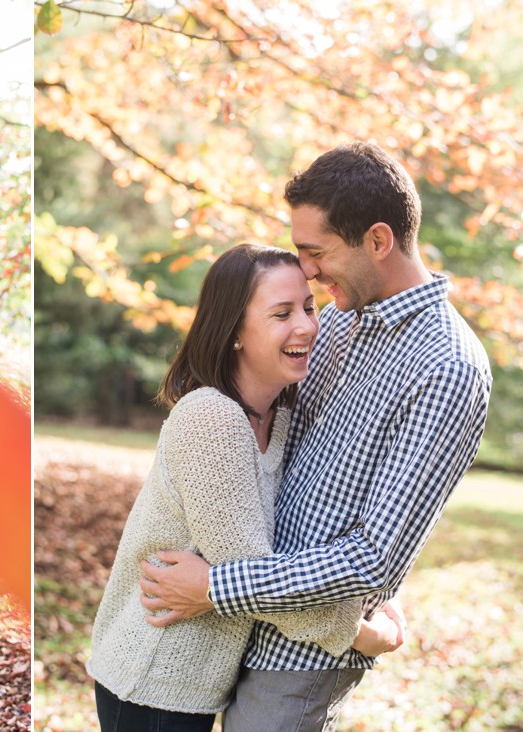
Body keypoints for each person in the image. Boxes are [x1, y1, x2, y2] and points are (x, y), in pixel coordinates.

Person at [139, 142, 492, 731]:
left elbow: (373, 559)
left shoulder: (447, 367)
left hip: (299, 658)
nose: (305, 269)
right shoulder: (337, 317)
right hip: (228, 631)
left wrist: (217, 586)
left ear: (378, 241)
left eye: (315, 251)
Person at [88, 244, 403, 732]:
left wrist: (376, 595)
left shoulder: (278, 422)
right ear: (234, 330)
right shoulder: (211, 418)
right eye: (281, 313)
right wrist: (364, 633)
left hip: (196, 686)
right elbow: (253, 579)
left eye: (308, 306)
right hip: (152, 678)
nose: (306, 326)